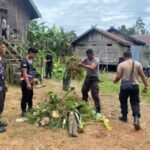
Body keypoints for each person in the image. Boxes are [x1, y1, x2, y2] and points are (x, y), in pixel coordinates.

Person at [113, 51, 148, 130]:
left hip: (124, 86)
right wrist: (146, 86)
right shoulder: (138, 64)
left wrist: (115, 80)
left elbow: (118, 76)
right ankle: (136, 118)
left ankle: (124, 116)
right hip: (135, 86)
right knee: (135, 102)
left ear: (124, 56)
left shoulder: (121, 65)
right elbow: (142, 76)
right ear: (131, 56)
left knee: (123, 100)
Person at [78, 49, 101, 114]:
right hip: (88, 77)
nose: (88, 56)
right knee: (84, 90)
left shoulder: (96, 60)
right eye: (87, 55)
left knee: (94, 93)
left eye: (89, 55)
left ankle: (98, 109)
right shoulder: (86, 58)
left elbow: (92, 67)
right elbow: (81, 61)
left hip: (94, 78)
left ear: (92, 54)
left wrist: (82, 65)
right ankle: (84, 105)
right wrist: (79, 62)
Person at [20, 47, 38, 117]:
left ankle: (30, 108)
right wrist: (27, 83)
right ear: (30, 52)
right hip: (25, 81)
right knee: (25, 96)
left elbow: (31, 72)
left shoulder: (31, 60)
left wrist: (33, 80)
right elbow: (24, 73)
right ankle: (23, 111)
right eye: (34, 54)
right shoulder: (24, 61)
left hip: (30, 81)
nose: (35, 56)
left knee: (30, 95)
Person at [0, 41, 8, 133]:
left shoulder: (1, 59)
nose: (5, 49)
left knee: (1, 104)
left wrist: (5, 83)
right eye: (3, 47)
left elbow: (2, 73)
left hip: (1, 85)